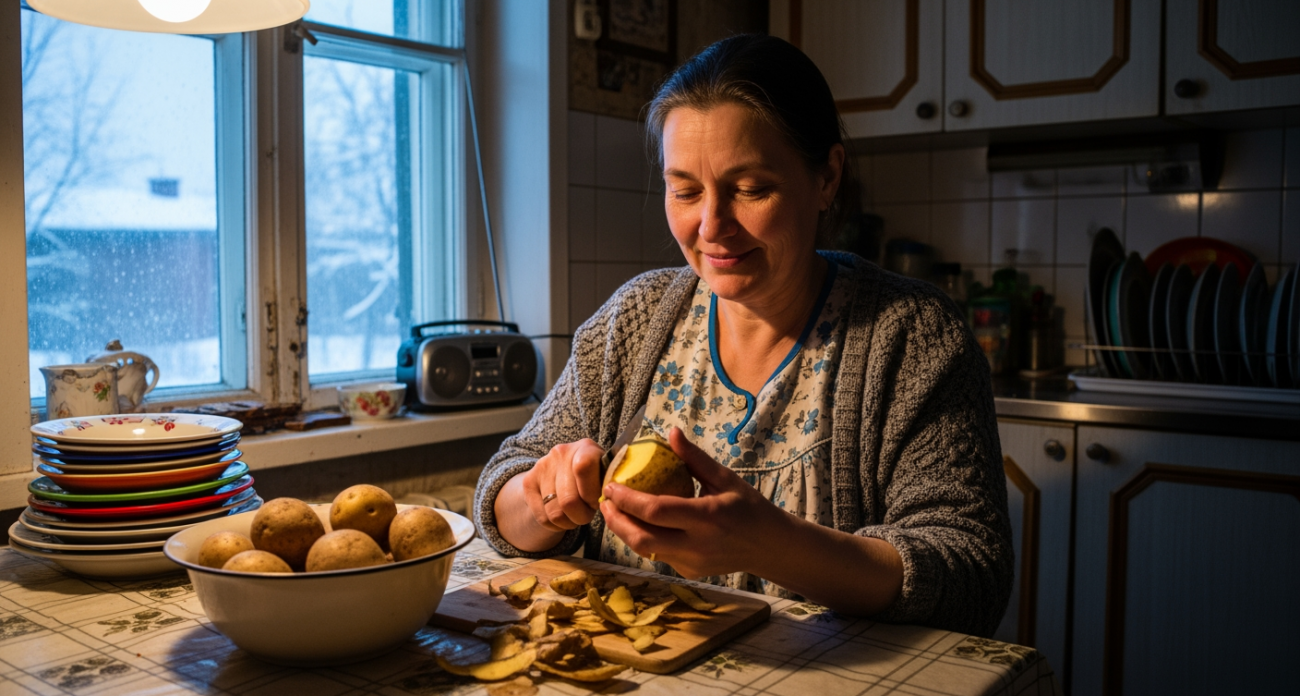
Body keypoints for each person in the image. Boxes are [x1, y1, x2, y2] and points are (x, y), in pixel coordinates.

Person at [473, 34, 1012, 637]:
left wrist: (774, 546)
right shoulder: (636, 318)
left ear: (827, 177)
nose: (712, 227)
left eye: (751, 189)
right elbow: (501, 495)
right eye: (685, 190)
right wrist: (543, 497)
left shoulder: (911, 337)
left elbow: (970, 573)